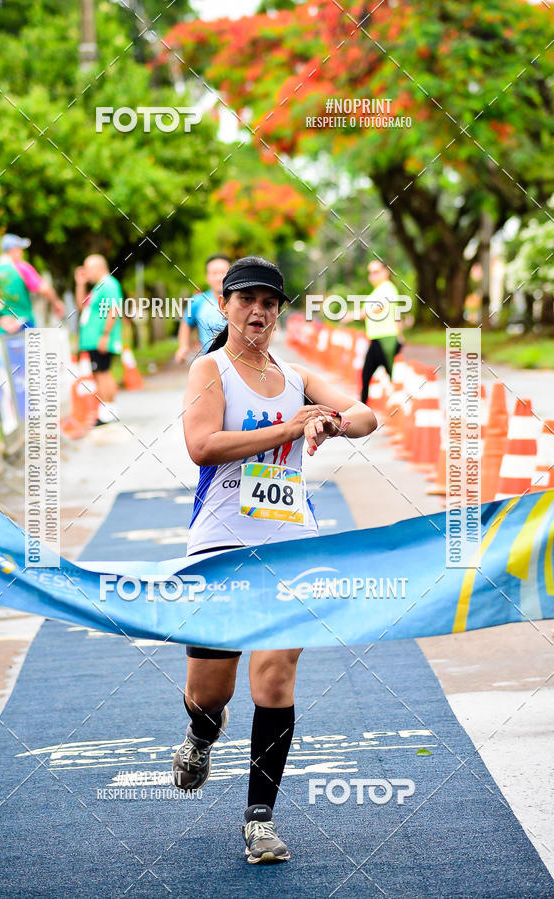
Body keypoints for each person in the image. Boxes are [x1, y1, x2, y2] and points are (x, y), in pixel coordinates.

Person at [173, 255, 377, 864]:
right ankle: (201, 734)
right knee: (211, 690)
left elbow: (366, 415)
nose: (257, 311)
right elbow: (202, 446)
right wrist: (289, 430)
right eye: (246, 300)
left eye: (268, 302)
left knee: (276, 678)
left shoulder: (296, 375)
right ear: (226, 307)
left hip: (291, 544)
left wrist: (331, 422)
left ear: (278, 311)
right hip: (219, 544)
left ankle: (260, 818)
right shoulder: (209, 370)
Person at [0, 234, 65, 335]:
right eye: (20, 249)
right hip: (23, 325)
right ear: (13, 250)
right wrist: (56, 302)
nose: (21, 253)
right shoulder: (21, 267)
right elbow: (44, 289)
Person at [75, 254, 123, 426]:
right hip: (92, 339)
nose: (87, 272)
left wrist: (105, 335)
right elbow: (82, 305)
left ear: (99, 267)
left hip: (100, 338)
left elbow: (114, 309)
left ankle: (108, 412)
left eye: (89, 268)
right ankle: (106, 411)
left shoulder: (109, 284)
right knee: (99, 373)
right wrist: (80, 284)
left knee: (103, 373)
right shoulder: (97, 287)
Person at [359, 259, 405, 405]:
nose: (372, 276)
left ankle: (362, 410)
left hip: (385, 339)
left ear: (386, 272)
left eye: (376, 272)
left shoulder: (388, 288)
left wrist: (353, 315)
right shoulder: (378, 290)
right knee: (372, 375)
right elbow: (396, 314)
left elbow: (376, 309)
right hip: (379, 339)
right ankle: (363, 409)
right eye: (370, 273)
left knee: (370, 375)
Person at [175, 254, 231, 361]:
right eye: (214, 273)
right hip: (210, 360)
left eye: (223, 272)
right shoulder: (197, 301)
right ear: (207, 277)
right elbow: (186, 324)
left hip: (239, 360)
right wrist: (183, 347)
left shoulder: (242, 300)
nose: (219, 277)